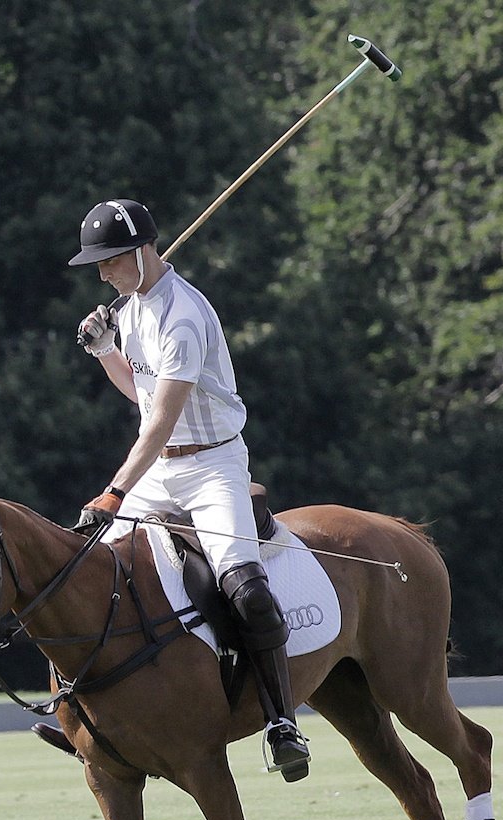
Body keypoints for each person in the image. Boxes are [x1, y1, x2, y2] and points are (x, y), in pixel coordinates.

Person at [43, 198, 309, 781]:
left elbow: (161, 418)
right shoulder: (134, 309)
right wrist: (105, 351)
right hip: (159, 468)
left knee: (244, 585)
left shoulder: (182, 316)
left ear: (141, 253)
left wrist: (113, 491)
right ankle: (83, 715)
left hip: (213, 467)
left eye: (110, 260)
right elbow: (141, 397)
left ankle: (281, 721)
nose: (101, 273)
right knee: (87, 570)